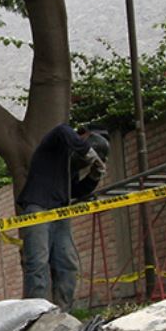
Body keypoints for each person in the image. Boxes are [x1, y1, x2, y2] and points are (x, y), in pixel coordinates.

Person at [14, 123, 107, 308]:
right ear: (83, 135)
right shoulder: (54, 144)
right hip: (37, 207)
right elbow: (61, 129)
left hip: (60, 213)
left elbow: (76, 191)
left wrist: (94, 176)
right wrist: (88, 152)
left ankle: (63, 314)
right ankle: (34, 316)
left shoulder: (69, 165)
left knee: (67, 264)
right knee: (38, 263)